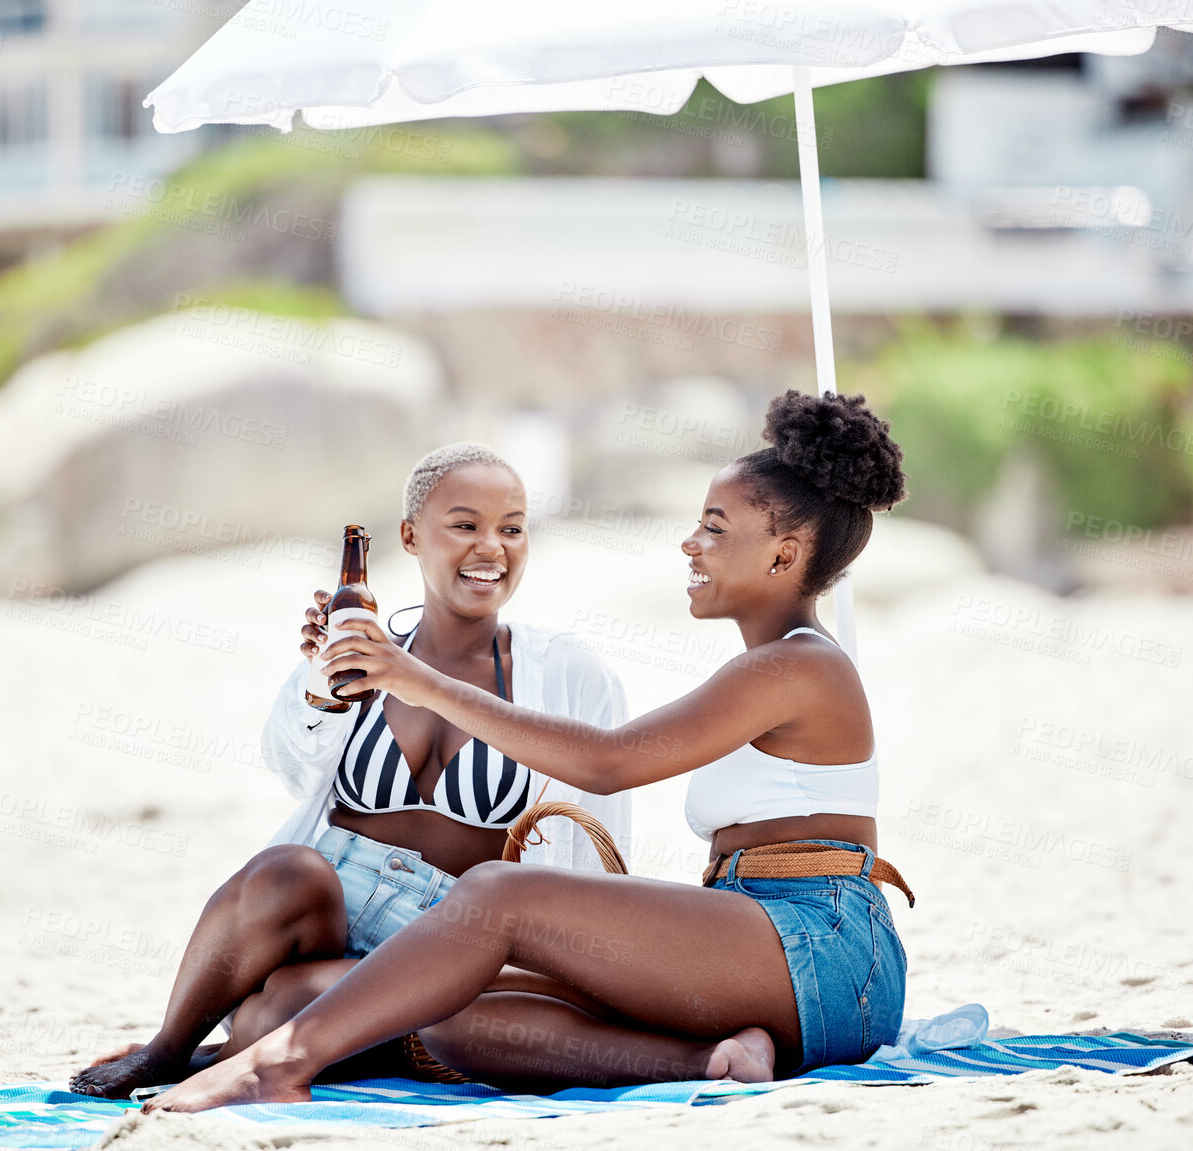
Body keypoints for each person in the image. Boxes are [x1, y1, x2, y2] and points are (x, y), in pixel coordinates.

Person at [142, 389, 914, 1112]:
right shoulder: (766, 664)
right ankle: (718, 1058)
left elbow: (608, 762)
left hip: (824, 944)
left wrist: (417, 679)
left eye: (713, 526)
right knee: (450, 1014)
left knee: (496, 893)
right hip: (758, 933)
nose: (690, 541)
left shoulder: (798, 663)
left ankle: (281, 1063)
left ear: (782, 557)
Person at [70, 443, 631, 1098]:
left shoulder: (566, 671)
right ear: (409, 536)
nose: (492, 548)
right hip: (329, 902)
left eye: (511, 527)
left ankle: (258, 1047)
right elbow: (290, 762)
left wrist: (581, 972)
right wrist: (322, 693)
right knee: (284, 868)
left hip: (455, 934)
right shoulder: (360, 644)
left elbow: (598, 828)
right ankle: (168, 1049)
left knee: (276, 1015)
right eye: (465, 525)